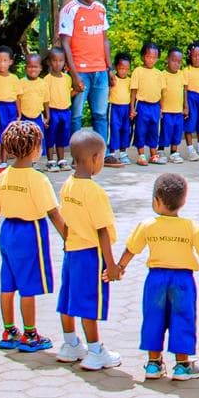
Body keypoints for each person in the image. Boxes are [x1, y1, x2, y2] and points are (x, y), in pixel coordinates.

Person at [118, 172, 199, 381]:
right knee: (183, 318)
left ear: (156, 201)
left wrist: (120, 267)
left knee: (153, 318)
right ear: (183, 201)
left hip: (156, 279)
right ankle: (182, 366)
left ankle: (153, 364)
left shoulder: (147, 225)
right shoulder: (191, 227)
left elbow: (131, 249)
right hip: (183, 281)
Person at [0, 119, 67, 354]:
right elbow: (53, 213)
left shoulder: (3, 176)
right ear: (34, 149)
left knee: (8, 283)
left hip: (7, 231)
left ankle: (9, 331)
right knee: (28, 285)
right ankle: (30, 335)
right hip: (30, 232)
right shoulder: (38, 179)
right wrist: (68, 238)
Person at [55, 129, 122, 368]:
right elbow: (102, 230)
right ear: (94, 158)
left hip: (72, 250)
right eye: (102, 157)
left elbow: (64, 221)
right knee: (89, 303)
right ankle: (95, 351)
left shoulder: (67, 185)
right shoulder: (94, 191)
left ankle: (70, 344)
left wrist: (66, 242)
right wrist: (111, 264)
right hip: (91, 254)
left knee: (68, 299)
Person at [57, 0, 112, 145]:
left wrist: (109, 68)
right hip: (80, 71)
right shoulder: (70, 10)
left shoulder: (100, 9)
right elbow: (65, 43)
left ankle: (102, 153)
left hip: (100, 70)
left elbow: (105, 40)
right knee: (76, 116)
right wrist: (74, 75)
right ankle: (77, 153)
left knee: (100, 115)